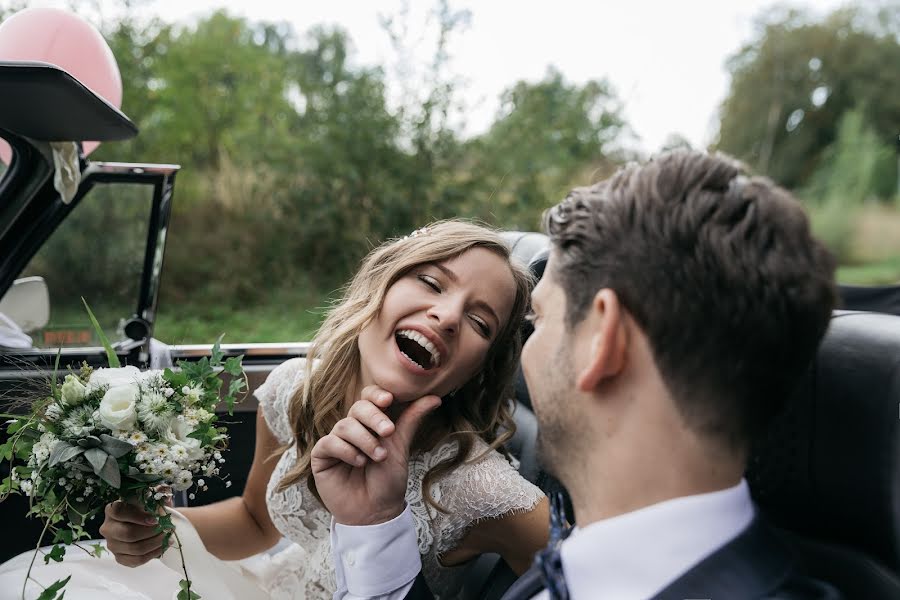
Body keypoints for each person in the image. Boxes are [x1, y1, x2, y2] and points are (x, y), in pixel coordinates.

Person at [312, 150, 842, 599]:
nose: (522, 358)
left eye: (538, 321)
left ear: (603, 340)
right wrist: (375, 523)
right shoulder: (579, 561)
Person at [0, 220, 550, 599]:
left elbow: (578, 577)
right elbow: (255, 522)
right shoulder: (294, 390)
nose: (448, 316)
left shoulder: (478, 486)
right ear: (379, 288)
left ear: (478, 368)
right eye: (431, 282)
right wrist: (158, 527)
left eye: (480, 322)